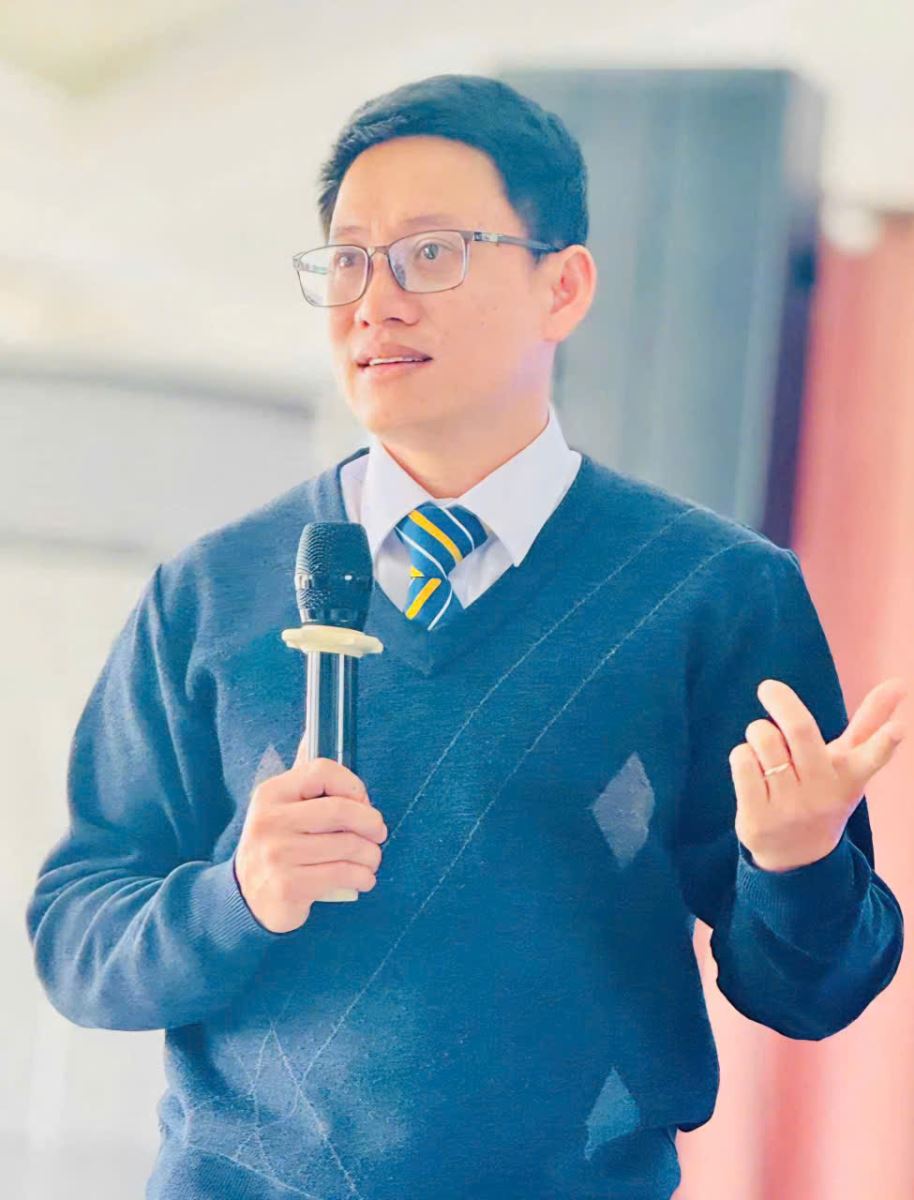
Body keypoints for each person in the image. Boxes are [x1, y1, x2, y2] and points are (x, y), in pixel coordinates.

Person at [26, 73, 906, 1200]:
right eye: (348, 260)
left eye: (429, 254)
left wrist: (795, 862)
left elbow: (815, 993)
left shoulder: (713, 593)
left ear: (562, 286)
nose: (375, 302)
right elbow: (78, 939)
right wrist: (236, 896)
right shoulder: (208, 593)